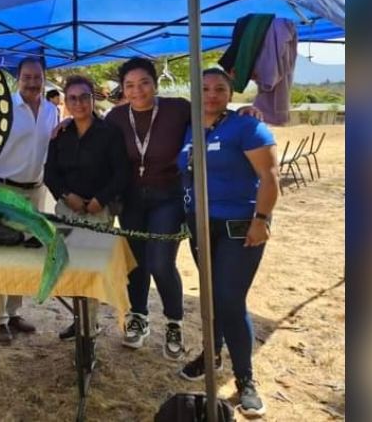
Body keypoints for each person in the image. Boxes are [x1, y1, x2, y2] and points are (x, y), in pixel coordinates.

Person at [104, 58, 263, 356]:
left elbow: (212, 114)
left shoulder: (177, 108)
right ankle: (138, 317)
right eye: (130, 85)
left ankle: (173, 320)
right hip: (132, 199)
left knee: (160, 263)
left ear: (155, 84)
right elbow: (95, 137)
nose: (138, 91)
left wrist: (243, 112)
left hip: (168, 197)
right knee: (135, 261)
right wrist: (64, 124)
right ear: (122, 89)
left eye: (144, 83)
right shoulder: (114, 117)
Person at [176, 68, 278, 418]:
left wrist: (261, 220)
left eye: (220, 88)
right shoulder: (189, 127)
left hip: (240, 226)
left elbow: (270, 177)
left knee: (230, 300)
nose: (211, 94)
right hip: (201, 226)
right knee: (209, 293)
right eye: (204, 88)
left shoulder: (247, 126)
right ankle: (211, 353)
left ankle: (245, 379)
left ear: (231, 93)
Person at [0, 57, 60, 345]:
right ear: (18, 78)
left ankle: (14, 313)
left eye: (37, 77)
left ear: (44, 77)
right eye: (27, 77)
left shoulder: (52, 111)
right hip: (4, 192)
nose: (33, 82)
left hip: (35, 192)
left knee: (24, 256)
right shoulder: (5, 108)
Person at [43, 75, 129, 340]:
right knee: (71, 267)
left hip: (98, 211)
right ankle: (79, 319)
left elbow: (121, 173)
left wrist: (98, 200)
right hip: (68, 211)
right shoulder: (61, 134)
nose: (78, 103)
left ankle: (89, 325)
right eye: (72, 98)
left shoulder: (110, 133)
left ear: (93, 99)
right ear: (66, 102)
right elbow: (50, 173)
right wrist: (66, 196)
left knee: (92, 269)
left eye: (84, 97)